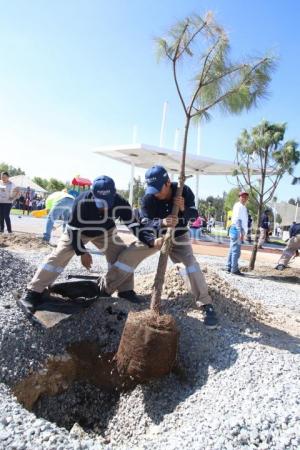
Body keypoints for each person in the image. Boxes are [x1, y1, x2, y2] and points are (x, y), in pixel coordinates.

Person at [99, 165, 218, 328]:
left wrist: (183, 208)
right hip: (155, 236)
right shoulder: (148, 198)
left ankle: (205, 304)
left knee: (190, 266)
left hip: (179, 236)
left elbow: (194, 214)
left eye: (158, 188)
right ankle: (105, 289)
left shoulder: (183, 190)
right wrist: (161, 222)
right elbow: (145, 223)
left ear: (168, 183)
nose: (154, 193)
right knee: (128, 255)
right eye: (151, 189)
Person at [17, 175, 152, 319]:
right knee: (60, 254)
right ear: (93, 194)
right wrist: (82, 252)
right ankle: (33, 292)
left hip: (105, 232)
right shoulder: (81, 201)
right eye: (101, 203)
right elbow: (72, 230)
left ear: (114, 194)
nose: (104, 207)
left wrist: (150, 241)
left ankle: (126, 291)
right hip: (78, 232)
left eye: (108, 202)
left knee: (121, 254)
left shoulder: (121, 203)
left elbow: (134, 225)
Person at [226, 191, 249, 276]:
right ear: (239, 197)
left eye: (246, 197)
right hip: (237, 229)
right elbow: (238, 220)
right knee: (236, 251)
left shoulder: (240, 206)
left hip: (234, 229)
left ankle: (228, 266)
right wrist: (240, 233)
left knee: (232, 249)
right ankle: (234, 269)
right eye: (242, 197)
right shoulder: (240, 206)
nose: (244, 198)